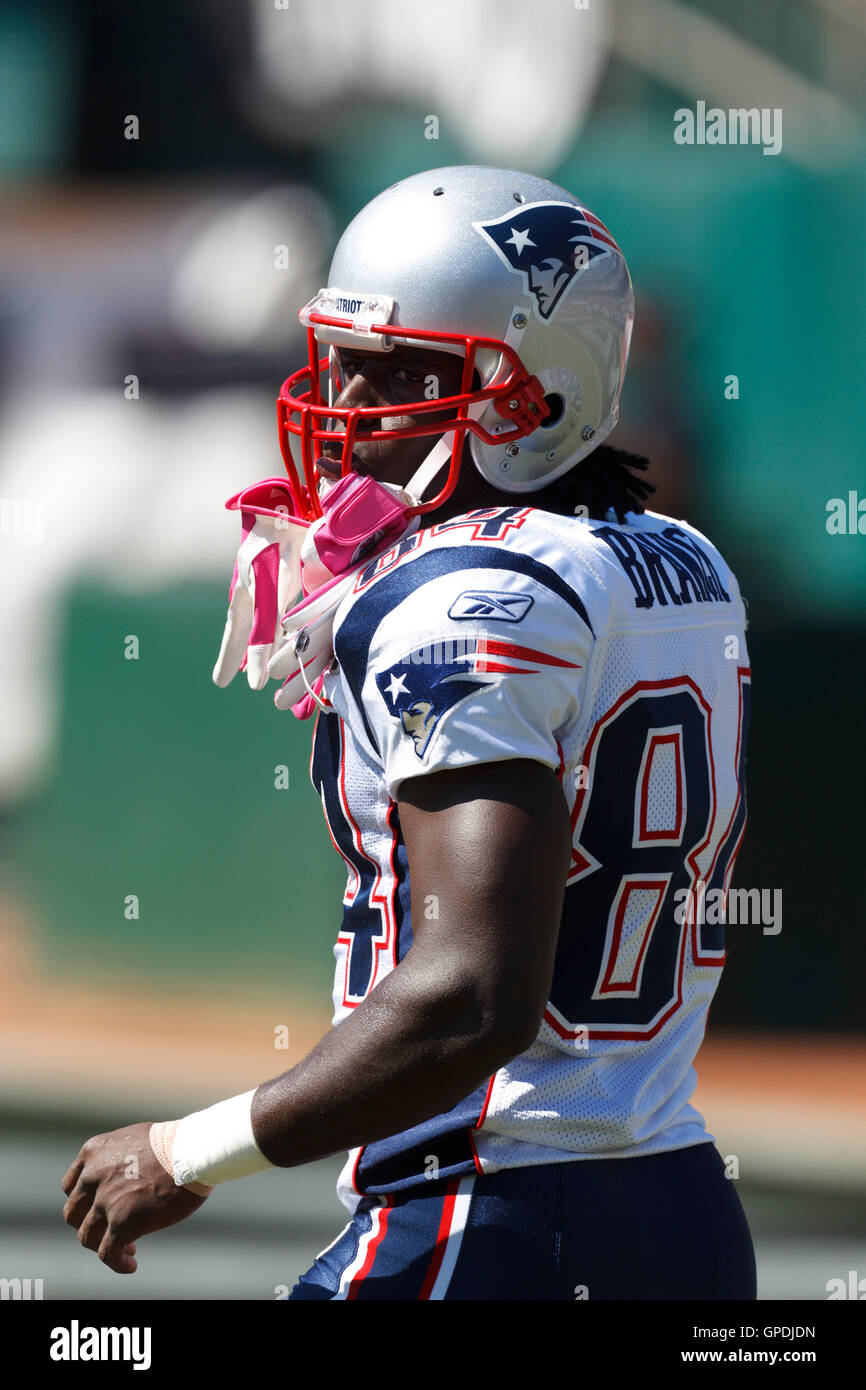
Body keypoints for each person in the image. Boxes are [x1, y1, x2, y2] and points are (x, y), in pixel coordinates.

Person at [62, 165, 756, 1300]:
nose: (341, 406)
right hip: (680, 1213)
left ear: (524, 394)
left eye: (389, 374)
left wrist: (185, 1152)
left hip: (489, 1216)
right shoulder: (684, 562)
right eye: (337, 358)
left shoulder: (462, 595)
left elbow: (468, 993)